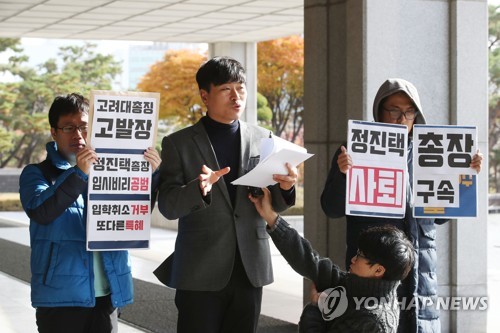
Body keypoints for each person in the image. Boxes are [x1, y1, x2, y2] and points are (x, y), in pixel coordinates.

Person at [320, 78, 483, 332]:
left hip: (420, 267)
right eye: (394, 110)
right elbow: (330, 208)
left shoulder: (430, 152)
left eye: (409, 112)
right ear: (379, 111)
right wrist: (343, 174)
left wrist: (463, 180)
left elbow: (438, 218)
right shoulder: (354, 150)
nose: (401, 118)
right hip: (374, 270)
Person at [156, 56, 298, 333]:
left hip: (250, 267)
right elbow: (167, 206)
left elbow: (274, 204)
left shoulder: (264, 138)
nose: (236, 96)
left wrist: (286, 187)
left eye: (241, 88)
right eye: (226, 89)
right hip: (199, 269)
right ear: (205, 95)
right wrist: (198, 188)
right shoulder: (178, 143)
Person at [18, 93, 161, 333]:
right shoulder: (36, 173)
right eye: (68, 128)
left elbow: (135, 215)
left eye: (84, 127)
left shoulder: (113, 171)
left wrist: (152, 176)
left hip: (107, 295)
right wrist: (79, 173)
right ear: (54, 132)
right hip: (60, 299)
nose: (78, 135)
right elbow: (41, 211)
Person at [249, 187, 415, 333]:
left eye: (360, 256)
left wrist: (315, 309)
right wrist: (271, 216)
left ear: (378, 270)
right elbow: (309, 260)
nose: (353, 259)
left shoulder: (373, 320)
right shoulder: (358, 285)